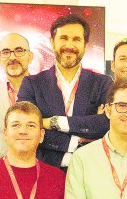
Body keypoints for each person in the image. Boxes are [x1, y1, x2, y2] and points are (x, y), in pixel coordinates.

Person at [16, 14, 111, 168]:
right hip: (44, 171)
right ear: (52, 42)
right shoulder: (32, 84)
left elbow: (105, 124)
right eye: (64, 38)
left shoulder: (102, 83)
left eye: (76, 39)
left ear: (85, 45)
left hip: (89, 171)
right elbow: (26, 127)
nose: (69, 45)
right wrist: (78, 141)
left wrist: (50, 122)